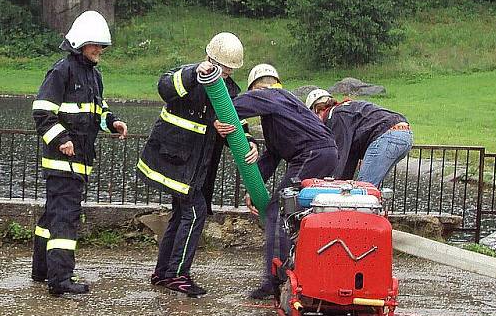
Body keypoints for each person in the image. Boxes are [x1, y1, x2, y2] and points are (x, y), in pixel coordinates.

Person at [138, 32, 258, 297]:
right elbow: (165, 88)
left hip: (194, 167)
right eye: (222, 69)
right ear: (210, 59)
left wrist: (249, 142)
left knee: (182, 214)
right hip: (175, 160)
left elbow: (238, 123)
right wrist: (195, 72)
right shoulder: (187, 76)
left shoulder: (230, 90)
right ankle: (178, 274)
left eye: (229, 71)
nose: (225, 75)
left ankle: (163, 272)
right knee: (195, 212)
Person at [31, 11, 128, 296]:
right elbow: (42, 112)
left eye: (101, 46)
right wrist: (61, 139)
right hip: (63, 163)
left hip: (79, 163)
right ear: (79, 44)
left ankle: (42, 270)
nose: (99, 50)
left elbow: (98, 111)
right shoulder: (62, 71)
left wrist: (112, 122)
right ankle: (60, 280)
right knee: (65, 218)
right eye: (94, 45)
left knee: (52, 217)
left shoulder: (94, 76)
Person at [223, 64, 338, 299]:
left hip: (312, 154)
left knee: (279, 210)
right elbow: (272, 156)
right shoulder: (279, 112)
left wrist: (217, 113)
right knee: (296, 216)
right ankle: (298, 270)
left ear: (257, 88)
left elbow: (236, 107)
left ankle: (275, 280)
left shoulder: (273, 95)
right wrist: (252, 189)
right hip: (320, 154)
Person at [305, 88, 413, 187]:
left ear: (316, 110)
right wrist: (342, 184)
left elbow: (340, 156)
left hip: (387, 135)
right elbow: (349, 157)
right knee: (370, 188)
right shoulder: (346, 108)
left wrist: (331, 185)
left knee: (362, 190)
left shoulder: (335, 115)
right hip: (404, 135)